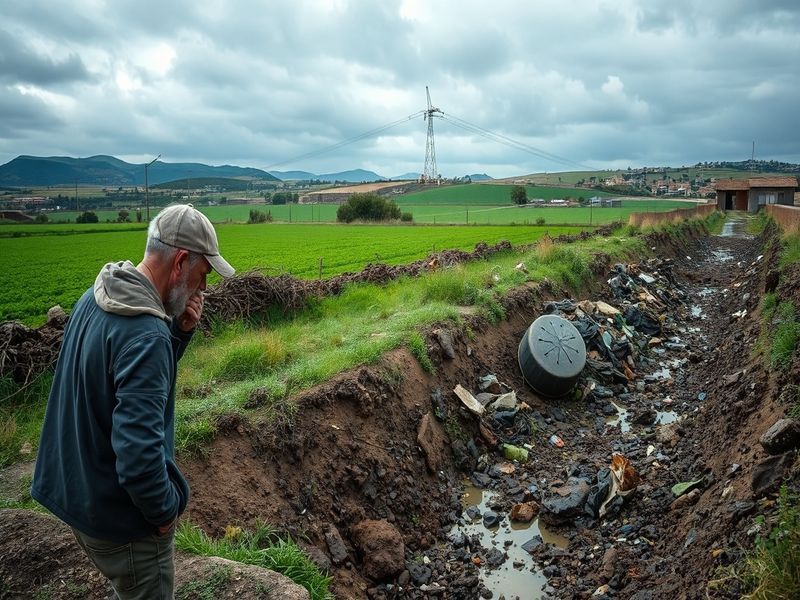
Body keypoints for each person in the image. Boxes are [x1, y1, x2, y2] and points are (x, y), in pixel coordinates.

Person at [31, 204, 234, 599]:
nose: (203, 289)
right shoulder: (145, 336)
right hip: (119, 519)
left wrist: (180, 332)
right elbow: (139, 458)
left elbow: (123, 383)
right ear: (179, 263)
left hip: (76, 494)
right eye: (203, 274)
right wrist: (163, 514)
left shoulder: (100, 296)